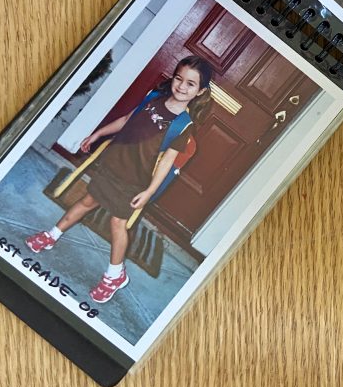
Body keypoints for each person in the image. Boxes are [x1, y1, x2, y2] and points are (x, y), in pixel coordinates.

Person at [25, 55, 213, 304]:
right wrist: (98, 134)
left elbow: (167, 162)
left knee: (117, 223)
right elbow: (126, 120)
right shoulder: (153, 98)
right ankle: (52, 235)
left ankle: (115, 275)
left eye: (190, 83)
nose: (181, 86)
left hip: (133, 181)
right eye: (179, 78)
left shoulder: (183, 125)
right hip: (112, 166)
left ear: (200, 91)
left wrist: (149, 192)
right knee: (87, 201)